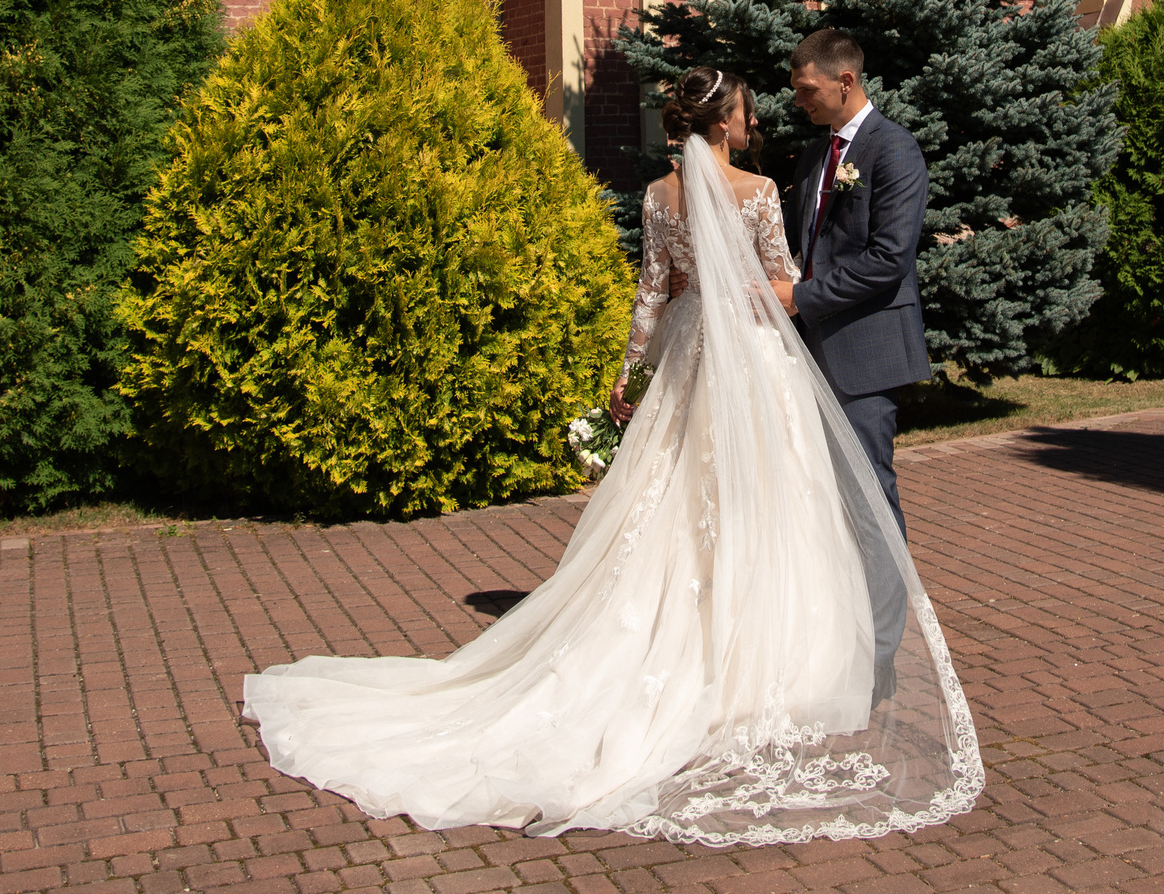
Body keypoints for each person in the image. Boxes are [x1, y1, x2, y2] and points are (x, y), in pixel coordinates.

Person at [241, 68, 983, 847]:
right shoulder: (760, 188)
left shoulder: (660, 199)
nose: (754, 118)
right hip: (756, 355)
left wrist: (628, 373)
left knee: (674, 497)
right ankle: (774, 666)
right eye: (745, 111)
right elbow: (785, 282)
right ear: (725, 123)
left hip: (688, 352)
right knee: (775, 498)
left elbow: (650, 293)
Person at [769, 29, 933, 536]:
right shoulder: (816, 154)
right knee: (821, 492)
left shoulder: (894, 149)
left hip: (865, 348)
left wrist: (800, 298)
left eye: (806, 90)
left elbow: (889, 258)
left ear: (845, 81)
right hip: (809, 348)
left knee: (869, 492)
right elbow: (798, 239)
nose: (798, 102)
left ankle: (887, 618)